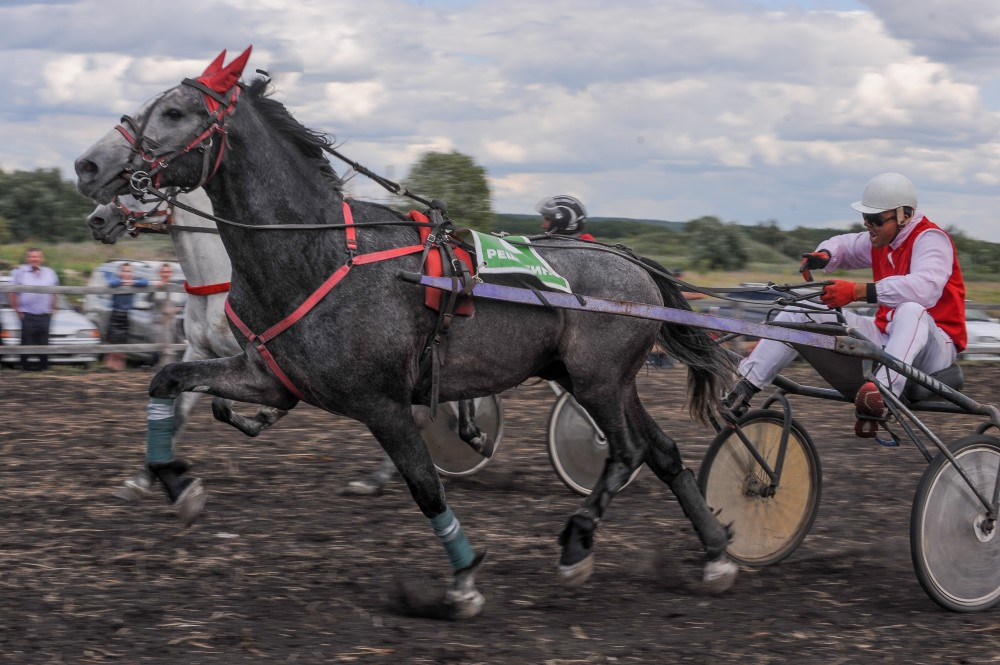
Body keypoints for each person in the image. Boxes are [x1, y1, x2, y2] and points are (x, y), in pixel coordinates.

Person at [720, 172, 966, 437]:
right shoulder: (882, 240)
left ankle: (883, 395)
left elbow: (924, 290)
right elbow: (846, 245)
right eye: (866, 218)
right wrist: (825, 255)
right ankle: (742, 389)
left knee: (911, 309)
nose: (869, 226)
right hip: (890, 339)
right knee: (802, 309)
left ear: (904, 215)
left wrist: (857, 291)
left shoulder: (931, 239)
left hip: (936, 349)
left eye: (876, 220)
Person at [9, 248, 59, 372]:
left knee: (44, 342)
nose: (34, 259)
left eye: (37, 257)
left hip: (45, 314)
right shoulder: (20, 272)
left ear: (42, 258)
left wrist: (53, 308)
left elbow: (55, 292)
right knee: (26, 342)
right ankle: (25, 368)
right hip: (27, 314)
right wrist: (17, 310)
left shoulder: (50, 272)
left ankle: (43, 368)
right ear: (28, 258)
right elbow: (12, 292)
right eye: (32, 257)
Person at [102, 262, 148, 371]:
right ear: (120, 272)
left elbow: (145, 281)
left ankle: (119, 371)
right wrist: (123, 281)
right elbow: (110, 282)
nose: (127, 273)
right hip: (115, 315)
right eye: (124, 271)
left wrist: (133, 282)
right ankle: (108, 369)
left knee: (122, 348)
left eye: (129, 271)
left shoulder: (134, 281)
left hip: (125, 316)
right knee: (111, 347)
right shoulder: (116, 280)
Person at [151, 263, 180, 366]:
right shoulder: (155, 285)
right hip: (158, 322)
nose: (165, 274)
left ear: (171, 273)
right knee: (159, 347)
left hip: (172, 322)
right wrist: (155, 288)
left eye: (168, 272)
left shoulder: (175, 287)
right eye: (163, 271)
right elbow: (149, 300)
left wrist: (175, 309)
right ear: (160, 273)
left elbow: (180, 305)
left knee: (172, 348)